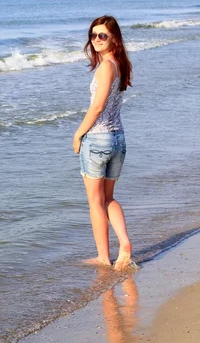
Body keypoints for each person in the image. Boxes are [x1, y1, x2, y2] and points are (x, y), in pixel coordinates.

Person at [72, 15, 133, 271]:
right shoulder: (120, 65)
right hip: (118, 138)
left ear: (114, 38)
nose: (96, 40)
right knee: (108, 198)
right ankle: (125, 243)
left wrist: (78, 134)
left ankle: (102, 257)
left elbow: (97, 107)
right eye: (93, 35)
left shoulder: (107, 66)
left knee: (96, 202)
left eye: (102, 35)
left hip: (98, 139)